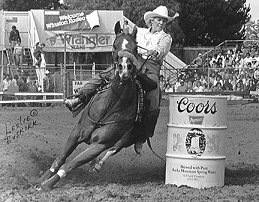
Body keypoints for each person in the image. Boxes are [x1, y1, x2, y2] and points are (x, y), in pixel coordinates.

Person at [64, 5, 178, 154]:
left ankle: (141, 137)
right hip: (133, 63)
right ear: (151, 20)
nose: (161, 23)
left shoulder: (166, 38)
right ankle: (79, 98)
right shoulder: (140, 32)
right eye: (158, 19)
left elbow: (162, 49)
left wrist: (155, 51)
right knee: (105, 74)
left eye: (163, 21)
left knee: (154, 100)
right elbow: (128, 40)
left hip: (151, 70)